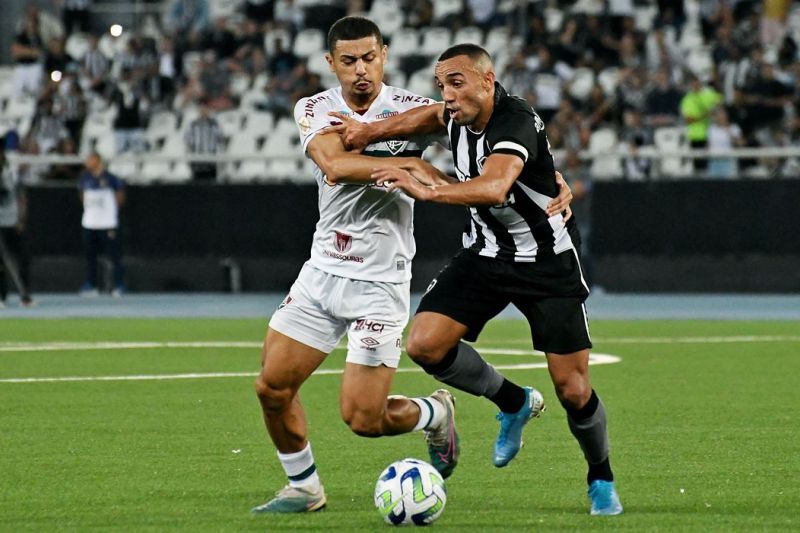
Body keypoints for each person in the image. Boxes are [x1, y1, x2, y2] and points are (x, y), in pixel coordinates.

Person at [251, 16, 575, 515]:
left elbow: (497, 147)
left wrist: (551, 183)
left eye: (369, 57)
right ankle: (304, 487)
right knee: (272, 388)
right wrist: (415, 166)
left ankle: (432, 412)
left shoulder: (419, 109)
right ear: (330, 63)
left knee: (362, 418)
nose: (360, 70)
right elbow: (335, 166)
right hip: (322, 270)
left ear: (383, 53)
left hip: (380, 282)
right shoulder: (315, 107)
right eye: (348, 60)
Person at [328, 43, 622, 516]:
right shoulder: (454, 113)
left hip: (546, 262)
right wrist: (369, 131)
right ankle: (513, 402)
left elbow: (494, 187)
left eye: (457, 83)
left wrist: (423, 188)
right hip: (485, 254)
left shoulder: (516, 121)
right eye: (441, 85)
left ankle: (601, 477)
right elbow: (423, 118)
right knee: (424, 344)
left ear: (488, 80)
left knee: (572, 388)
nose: (447, 95)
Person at [78, 152, 125, 296]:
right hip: (90, 223)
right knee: (90, 256)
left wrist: (110, 213)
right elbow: (82, 196)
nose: (87, 162)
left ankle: (118, 285)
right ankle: (91, 285)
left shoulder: (111, 178)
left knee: (114, 255)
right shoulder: (84, 178)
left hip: (107, 223)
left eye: (90, 159)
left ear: (98, 160)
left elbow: (120, 197)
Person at [0, 142, 33, 307]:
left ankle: (24, 296)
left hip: (10, 223)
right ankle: (3, 296)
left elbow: (22, 198)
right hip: (5, 222)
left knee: (18, 260)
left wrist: (21, 219)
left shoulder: (11, 175)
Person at [680, 75, 722, 174]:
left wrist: (715, 111)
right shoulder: (687, 99)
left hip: (712, 134)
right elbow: (688, 119)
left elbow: (720, 103)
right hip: (696, 136)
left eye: (697, 82)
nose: (696, 85)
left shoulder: (709, 94)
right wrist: (705, 115)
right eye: (693, 83)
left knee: (715, 161)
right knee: (700, 165)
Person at [184, 100, 222, 181]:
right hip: (197, 159)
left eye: (205, 108)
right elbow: (187, 140)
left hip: (210, 159)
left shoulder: (214, 124)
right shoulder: (192, 125)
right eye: (201, 108)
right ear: (198, 110)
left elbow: (219, 139)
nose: (203, 110)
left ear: (208, 110)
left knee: (211, 183)